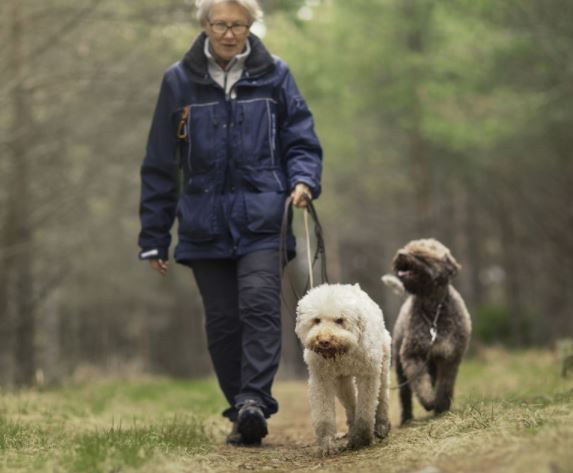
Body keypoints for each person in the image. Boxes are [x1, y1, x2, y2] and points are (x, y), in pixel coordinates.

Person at [137, 0, 322, 446]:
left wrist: (303, 179)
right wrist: (154, 237)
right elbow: (160, 164)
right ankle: (241, 408)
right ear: (204, 25)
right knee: (222, 322)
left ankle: (255, 399)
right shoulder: (178, 81)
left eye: (238, 24)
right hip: (203, 223)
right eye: (220, 23)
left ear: (251, 26)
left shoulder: (275, 74)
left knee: (259, 304)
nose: (228, 33)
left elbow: (301, 136)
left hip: (263, 217)